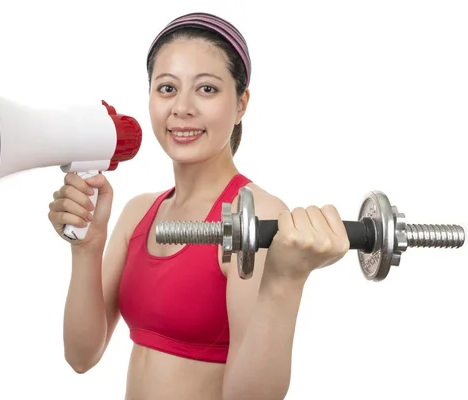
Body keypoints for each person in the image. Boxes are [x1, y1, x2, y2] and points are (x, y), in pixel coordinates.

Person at [47, 12, 350, 400]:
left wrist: (285, 282)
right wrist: (86, 248)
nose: (182, 108)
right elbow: (81, 355)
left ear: (241, 104)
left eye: (206, 89)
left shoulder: (254, 214)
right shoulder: (138, 212)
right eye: (167, 88)